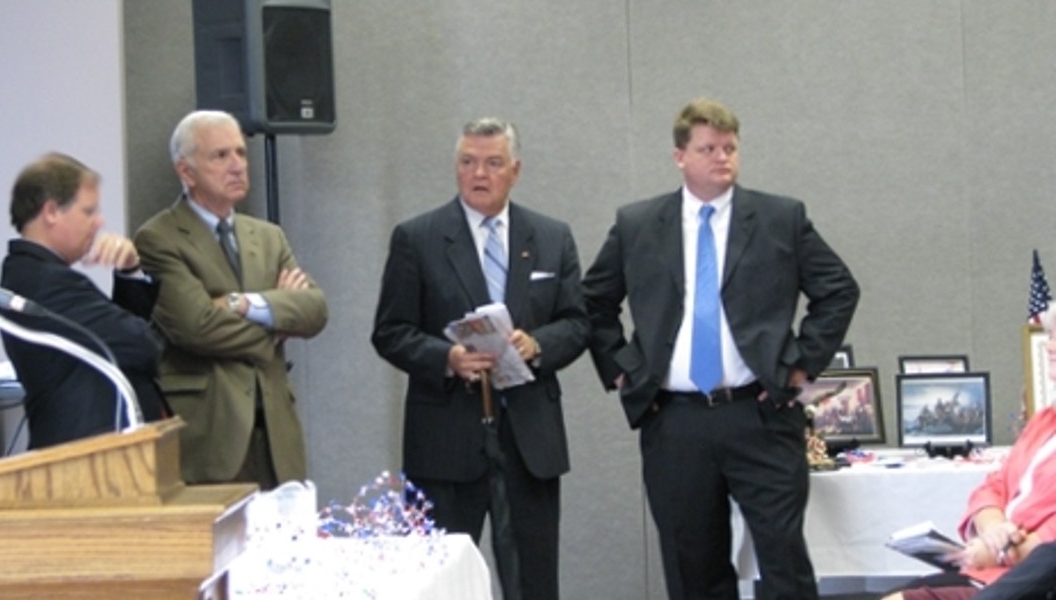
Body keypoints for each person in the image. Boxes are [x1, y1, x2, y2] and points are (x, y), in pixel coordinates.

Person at [582, 98, 860, 600]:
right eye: (708, 148)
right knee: (694, 567)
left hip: (760, 412)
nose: (721, 157)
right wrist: (623, 369)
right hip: (676, 419)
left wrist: (799, 365)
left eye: (730, 147)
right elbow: (593, 302)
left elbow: (838, 289)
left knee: (783, 560)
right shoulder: (638, 224)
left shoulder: (780, 218)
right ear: (679, 156)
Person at [371, 118, 589, 600]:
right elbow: (389, 332)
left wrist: (537, 345)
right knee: (442, 585)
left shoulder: (551, 236)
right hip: (446, 439)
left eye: (492, 163)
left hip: (528, 439)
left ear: (515, 170)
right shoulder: (418, 237)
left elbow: (578, 322)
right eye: (468, 162)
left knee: (532, 584)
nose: (479, 174)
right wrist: (446, 357)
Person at [134, 110, 328, 490]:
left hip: (274, 435)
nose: (238, 166)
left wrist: (241, 304)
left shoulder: (268, 236)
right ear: (186, 171)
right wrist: (275, 326)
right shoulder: (158, 239)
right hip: (209, 436)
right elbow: (198, 327)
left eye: (240, 153)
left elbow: (316, 311)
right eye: (220, 156)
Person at [0, 153, 167, 449]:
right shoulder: (46, 282)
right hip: (86, 454)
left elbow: (116, 345)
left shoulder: (34, 273)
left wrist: (130, 271)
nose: (100, 221)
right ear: (51, 211)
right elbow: (143, 345)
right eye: (88, 211)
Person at [878, 334, 1056, 600]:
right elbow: (993, 486)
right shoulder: (1045, 419)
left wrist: (995, 550)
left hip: (1028, 579)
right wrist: (994, 527)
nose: (1049, 346)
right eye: (1052, 337)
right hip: (992, 566)